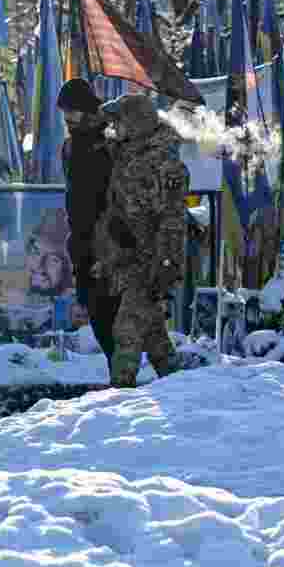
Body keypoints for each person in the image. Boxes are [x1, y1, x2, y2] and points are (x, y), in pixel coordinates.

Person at [92, 94, 188, 388]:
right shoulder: (123, 155)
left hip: (153, 260)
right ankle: (181, 388)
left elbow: (172, 220)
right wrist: (108, 257)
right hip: (129, 258)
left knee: (128, 328)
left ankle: (120, 393)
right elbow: (116, 212)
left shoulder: (164, 164)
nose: (113, 128)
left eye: (119, 121)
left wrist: (166, 263)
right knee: (154, 336)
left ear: (136, 124)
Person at [57, 77, 122, 368]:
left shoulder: (107, 144)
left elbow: (116, 196)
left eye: (72, 111)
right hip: (81, 241)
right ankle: (118, 374)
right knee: (96, 313)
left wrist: (110, 242)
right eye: (64, 112)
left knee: (113, 313)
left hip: (107, 239)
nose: (68, 118)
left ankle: (124, 381)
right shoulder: (69, 148)